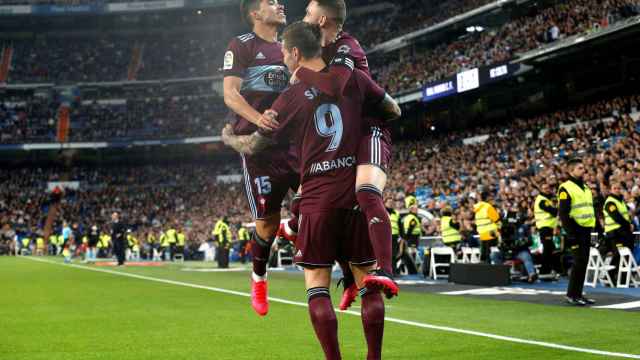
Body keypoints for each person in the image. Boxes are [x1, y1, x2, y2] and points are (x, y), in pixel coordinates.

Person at [222, 21, 401, 359]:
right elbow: (392, 110)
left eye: (284, 55)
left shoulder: (288, 99)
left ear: (293, 53)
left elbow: (255, 147)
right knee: (369, 282)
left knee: (317, 286)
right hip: (354, 194)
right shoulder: (355, 80)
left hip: (317, 199)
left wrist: (230, 138)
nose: (283, 61)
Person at [291, 0, 398, 305]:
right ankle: (349, 275)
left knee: (365, 193)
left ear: (322, 19)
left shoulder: (346, 45)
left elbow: (337, 85)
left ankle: (387, 272)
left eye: (308, 14)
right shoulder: (315, 52)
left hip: (367, 131)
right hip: (339, 139)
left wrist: (301, 72)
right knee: (314, 209)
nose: (303, 18)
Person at [222, 0, 298, 316]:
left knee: (318, 202)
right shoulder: (240, 46)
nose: (280, 5)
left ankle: (292, 227)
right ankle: (258, 278)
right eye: (271, 2)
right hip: (259, 148)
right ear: (255, 13)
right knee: (265, 226)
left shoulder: (289, 46)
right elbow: (230, 94)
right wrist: (258, 118)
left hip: (294, 142)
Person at [558, 158, 596, 306]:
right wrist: (571, 235)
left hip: (587, 230)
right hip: (576, 230)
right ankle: (571, 295)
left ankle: (579, 294)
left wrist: (595, 233)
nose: (583, 170)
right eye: (580, 168)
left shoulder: (586, 187)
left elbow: (590, 210)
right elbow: (563, 213)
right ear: (571, 170)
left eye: (583, 167)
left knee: (584, 262)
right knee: (578, 262)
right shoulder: (565, 187)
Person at [602, 181, 634, 283]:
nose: (617, 190)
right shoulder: (610, 202)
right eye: (615, 188)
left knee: (625, 256)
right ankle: (610, 277)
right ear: (611, 190)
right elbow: (617, 217)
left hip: (623, 233)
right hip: (614, 234)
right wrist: (628, 224)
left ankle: (623, 279)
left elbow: (626, 215)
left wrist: (630, 223)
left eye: (619, 188)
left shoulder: (621, 201)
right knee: (618, 255)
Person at [534, 182, 560, 277]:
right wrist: (558, 208)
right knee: (547, 249)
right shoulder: (542, 200)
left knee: (550, 249)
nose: (547, 190)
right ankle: (544, 271)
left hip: (548, 228)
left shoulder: (548, 199)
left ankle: (551, 269)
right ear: (541, 190)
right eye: (545, 188)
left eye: (548, 188)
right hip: (545, 228)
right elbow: (553, 212)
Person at [473, 191, 501, 263]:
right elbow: (496, 219)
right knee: (495, 250)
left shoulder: (477, 208)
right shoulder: (488, 207)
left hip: (482, 233)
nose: (492, 199)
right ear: (487, 198)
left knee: (485, 252)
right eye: (491, 197)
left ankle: (486, 267)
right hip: (491, 232)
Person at [386, 199, 402, 275]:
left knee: (394, 254)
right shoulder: (382, 211)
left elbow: (400, 225)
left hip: (394, 236)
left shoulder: (396, 213)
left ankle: (393, 272)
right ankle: (385, 271)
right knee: (385, 254)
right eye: (389, 202)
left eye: (392, 203)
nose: (391, 204)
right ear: (385, 203)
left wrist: (402, 236)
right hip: (384, 236)